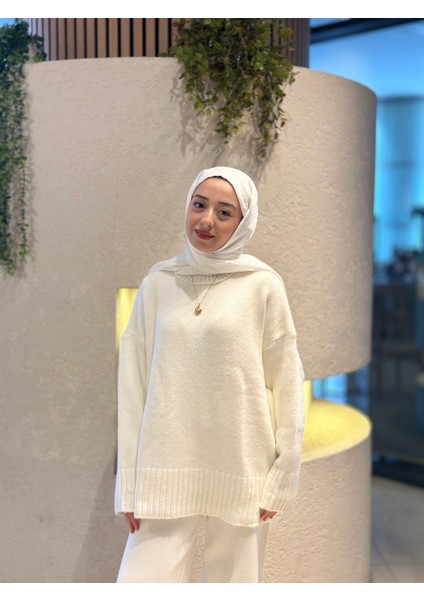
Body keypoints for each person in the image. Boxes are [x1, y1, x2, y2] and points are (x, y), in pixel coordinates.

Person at [115, 166, 305, 583]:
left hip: (243, 466)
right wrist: (128, 482)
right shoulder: (159, 283)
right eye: (199, 205)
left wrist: (284, 471)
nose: (206, 220)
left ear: (243, 222)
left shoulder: (262, 285)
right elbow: (133, 385)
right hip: (164, 465)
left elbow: (287, 383)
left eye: (224, 212)